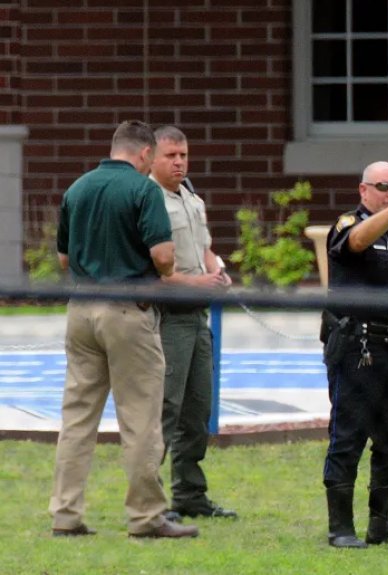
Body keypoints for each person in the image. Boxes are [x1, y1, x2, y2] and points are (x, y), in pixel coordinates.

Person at [50, 120, 198, 539]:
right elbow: (164, 258)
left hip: (81, 310)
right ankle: (146, 516)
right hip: (128, 312)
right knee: (140, 418)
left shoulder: (77, 188)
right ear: (146, 153)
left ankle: (65, 514)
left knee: (77, 417)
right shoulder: (143, 190)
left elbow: (63, 260)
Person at [319, 161, 388, 548]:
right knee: (348, 436)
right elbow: (357, 242)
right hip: (357, 347)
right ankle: (340, 529)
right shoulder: (349, 223)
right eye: (383, 186)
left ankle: (382, 527)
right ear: (363, 190)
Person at [148, 125, 236, 520]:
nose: (179, 162)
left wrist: (218, 272)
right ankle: (150, 501)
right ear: (151, 157)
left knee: (198, 410)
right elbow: (152, 270)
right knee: (165, 408)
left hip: (198, 317)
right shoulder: (148, 201)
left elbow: (205, 250)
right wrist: (198, 282)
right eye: (170, 155)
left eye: (183, 154)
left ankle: (189, 493)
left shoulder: (191, 198)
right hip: (168, 319)